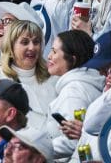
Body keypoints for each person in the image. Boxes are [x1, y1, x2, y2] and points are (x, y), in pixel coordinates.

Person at [0, 20, 56, 118]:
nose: (32, 47)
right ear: (11, 46)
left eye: (36, 42)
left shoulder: (53, 78)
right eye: (25, 42)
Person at [43, 29, 100, 158]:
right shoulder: (81, 84)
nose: (49, 56)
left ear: (72, 60)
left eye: (54, 52)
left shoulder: (73, 92)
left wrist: (38, 149)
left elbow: (73, 142)